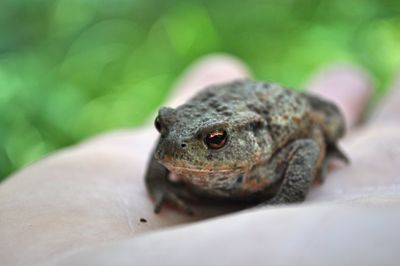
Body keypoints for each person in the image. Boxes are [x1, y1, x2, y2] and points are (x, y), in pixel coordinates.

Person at [1, 55, 400, 265]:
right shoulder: (176, 142)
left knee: (329, 117)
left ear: (230, 138)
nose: (172, 149)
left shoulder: (269, 151)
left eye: (213, 141)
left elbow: (306, 146)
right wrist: (158, 182)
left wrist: (286, 199)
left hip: (272, 109)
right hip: (211, 108)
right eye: (161, 127)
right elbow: (171, 145)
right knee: (182, 136)